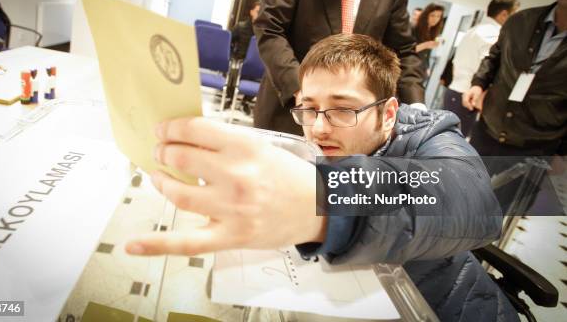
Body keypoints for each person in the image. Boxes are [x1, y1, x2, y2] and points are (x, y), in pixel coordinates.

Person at [127, 34, 517, 321]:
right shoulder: (314, 146)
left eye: (342, 109)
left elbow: (473, 200)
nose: (319, 129)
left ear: (389, 113)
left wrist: (327, 201)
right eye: (309, 109)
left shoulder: (432, 136)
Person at [253, 0, 425, 135]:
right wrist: (302, 89)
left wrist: (417, 107)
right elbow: (270, 29)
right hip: (289, 112)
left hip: (352, 123)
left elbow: (403, 50)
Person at [463, 0, 567, 158]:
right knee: (461, 186)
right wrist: (478, 83)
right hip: (488, 129)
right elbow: (495, 56)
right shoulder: (521, 21)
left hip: (536, 148)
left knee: (506, 190)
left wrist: (562, 154)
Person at [444, 0, 520, 138]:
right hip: (468, 98)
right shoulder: (494, 34)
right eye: (514, 14)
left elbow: (456, 62)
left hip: (455, 92)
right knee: (453, 147)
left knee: (446, 142)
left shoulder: (474, 30)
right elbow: (486, 69)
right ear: (504, 14)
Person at [413, 3, 444, 72]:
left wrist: (427, 67)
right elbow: (406, 50)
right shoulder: (414, 28)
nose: (435, 19)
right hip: (410, 67)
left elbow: (427, 53)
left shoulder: (432, 33)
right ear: (426, 15)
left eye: (438, 16)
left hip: (421, 69)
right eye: (432, 15)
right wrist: (426, 45)